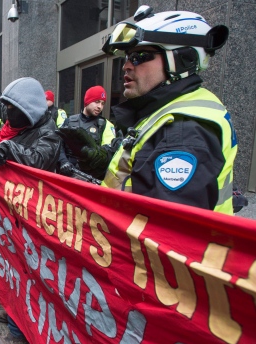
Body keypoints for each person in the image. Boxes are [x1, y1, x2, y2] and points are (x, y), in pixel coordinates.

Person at [101, 6, 235, 214]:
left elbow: (168, 237)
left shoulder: (182, 133)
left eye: (139, 57)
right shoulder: (164, 114)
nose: (126, 66)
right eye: (126, 57)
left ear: (181, 60)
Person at [0, 77, 62, 344]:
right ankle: (11, 310)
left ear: (27, 110)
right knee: (10, 264)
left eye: (12, 108)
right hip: (11, 210)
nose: (7, 113)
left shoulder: (48, 133)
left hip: (33, 215)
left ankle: (18, 334)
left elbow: (39, 159)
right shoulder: (13, 126)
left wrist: (10, 149)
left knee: (25, 270)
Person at [57, 85, 117, 180]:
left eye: (102, 103)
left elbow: (108, 154)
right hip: (67, 174)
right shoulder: (69, 121)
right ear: (87, 101)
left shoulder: (106, 125)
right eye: (97, 102)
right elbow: (59, 145)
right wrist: (64, 162)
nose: (99, 107)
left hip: (90, 177)